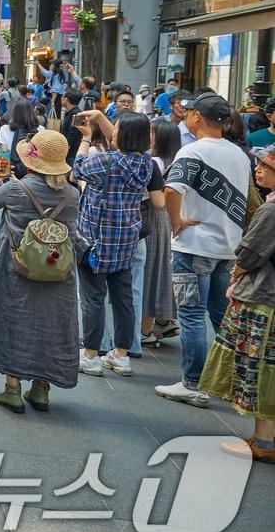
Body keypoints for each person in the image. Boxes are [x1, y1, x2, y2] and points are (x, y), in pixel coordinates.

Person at [155, 92, 253, 408]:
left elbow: (172, 189)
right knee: (221, 315)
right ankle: (235, 380)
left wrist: (176, 221)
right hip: (228, 247)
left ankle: (193, 383)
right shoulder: (240, 154)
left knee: (192, 314)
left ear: (197, 117)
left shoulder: (192, 151)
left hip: (194, 246)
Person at [0, 130, 81, 413]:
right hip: (58, 269)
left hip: (15, 266)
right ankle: (41, 389)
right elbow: (74, 234)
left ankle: (12, 388)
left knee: (13, 319)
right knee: (51, 326)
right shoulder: (72, 194)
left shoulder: (15, 188)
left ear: (30, 162)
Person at [197, 145, 275, 463]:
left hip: (262, 295)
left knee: (258, 368)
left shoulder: (270, 210)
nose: (259, 170)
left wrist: (235, 275)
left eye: (266, 167)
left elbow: (250, 253)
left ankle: (264, 442)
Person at [73, 112, 154, 378]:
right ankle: (121, 354)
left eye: (117, 128)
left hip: (96, 242)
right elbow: (117, 140)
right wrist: (98, 116)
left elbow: (77, 170)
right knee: (123, 299)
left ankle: (91, 355)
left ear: (124, 134)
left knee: (93, 298)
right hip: (126, 241)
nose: (113, 132)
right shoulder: (146, 163)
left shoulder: (106, 161)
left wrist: (85, 139)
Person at [141, 119, 182, 347]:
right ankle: (164, 321)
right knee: (160, 270)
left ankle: (145, 330)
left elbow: (156, 200)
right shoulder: (175, 161)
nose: (147, 135)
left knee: (150, 272)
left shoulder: (154, 162)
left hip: (153, 219)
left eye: (151, 132)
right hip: (166, 220)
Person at [0, 100, 43, 177]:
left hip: (14, 173)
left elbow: (4, 153)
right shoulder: (40, 129)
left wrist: (4, 174)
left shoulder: (5, 129)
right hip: (34, 173)